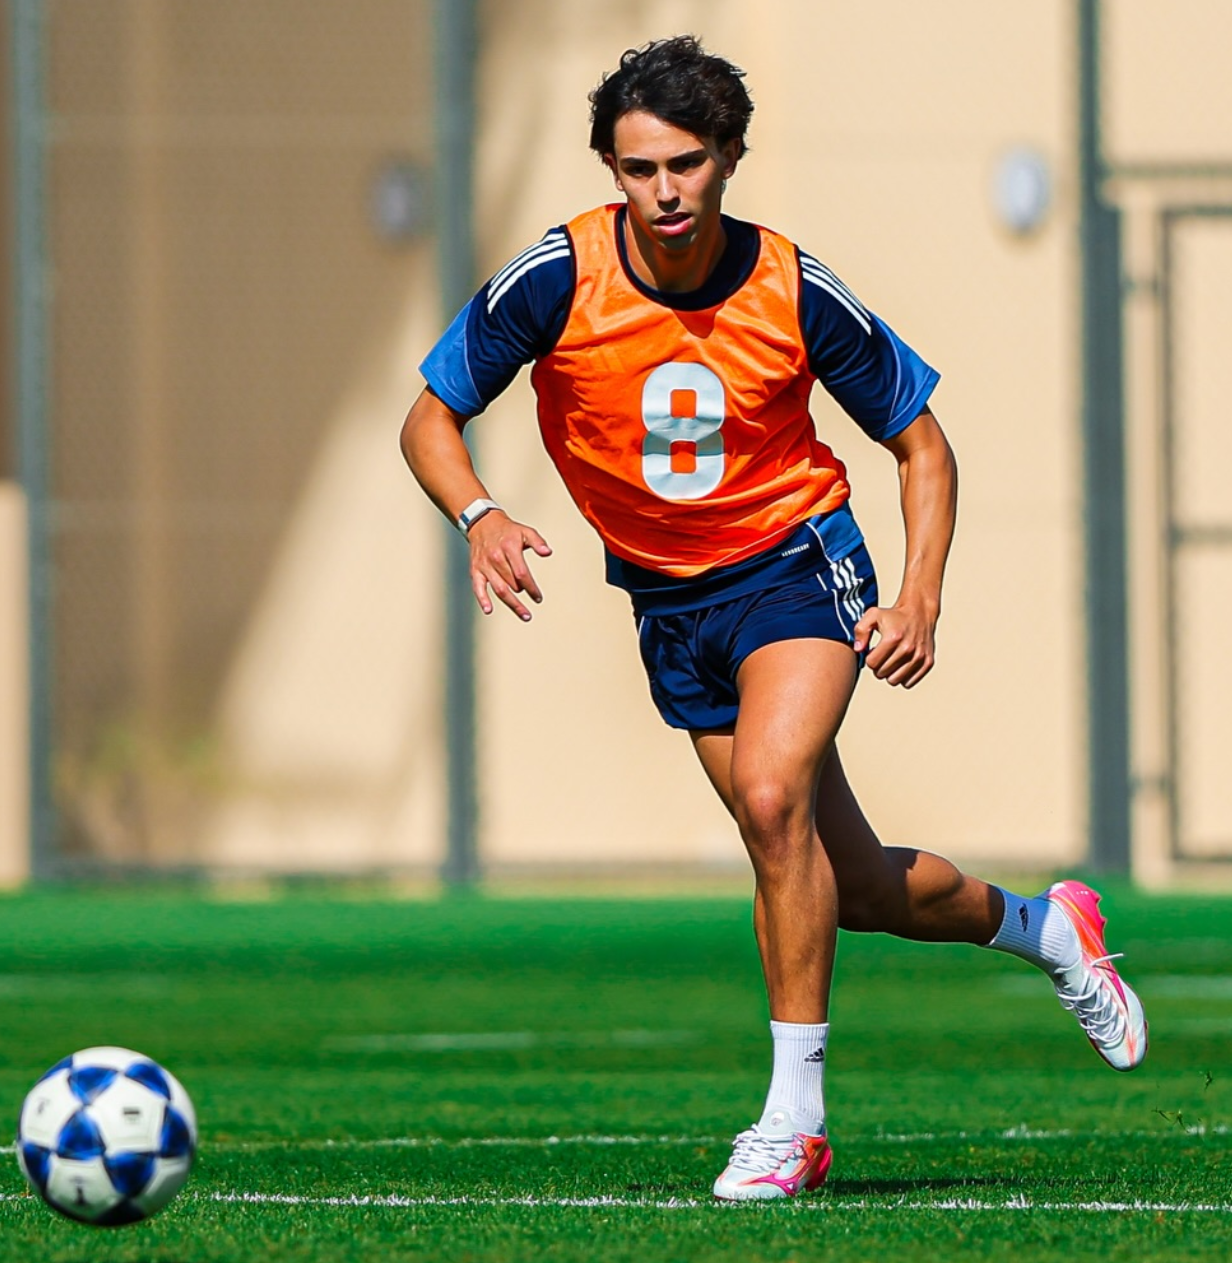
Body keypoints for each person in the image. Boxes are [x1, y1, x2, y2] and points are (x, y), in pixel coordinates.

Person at [399, 35, 1146, 1200]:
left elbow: (921, 447)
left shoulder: (790, 286)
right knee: (849, 885)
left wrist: (917, 596)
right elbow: (428, 420)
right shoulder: (553, 278)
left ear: (729, 157)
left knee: (765, 795)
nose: (663, 191)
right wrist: (480, 515)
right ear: (609, 169)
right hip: (666, 603)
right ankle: (1046, 929)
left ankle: (792, 1122)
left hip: (794, 566)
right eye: (638, 168)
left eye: (686, 164)